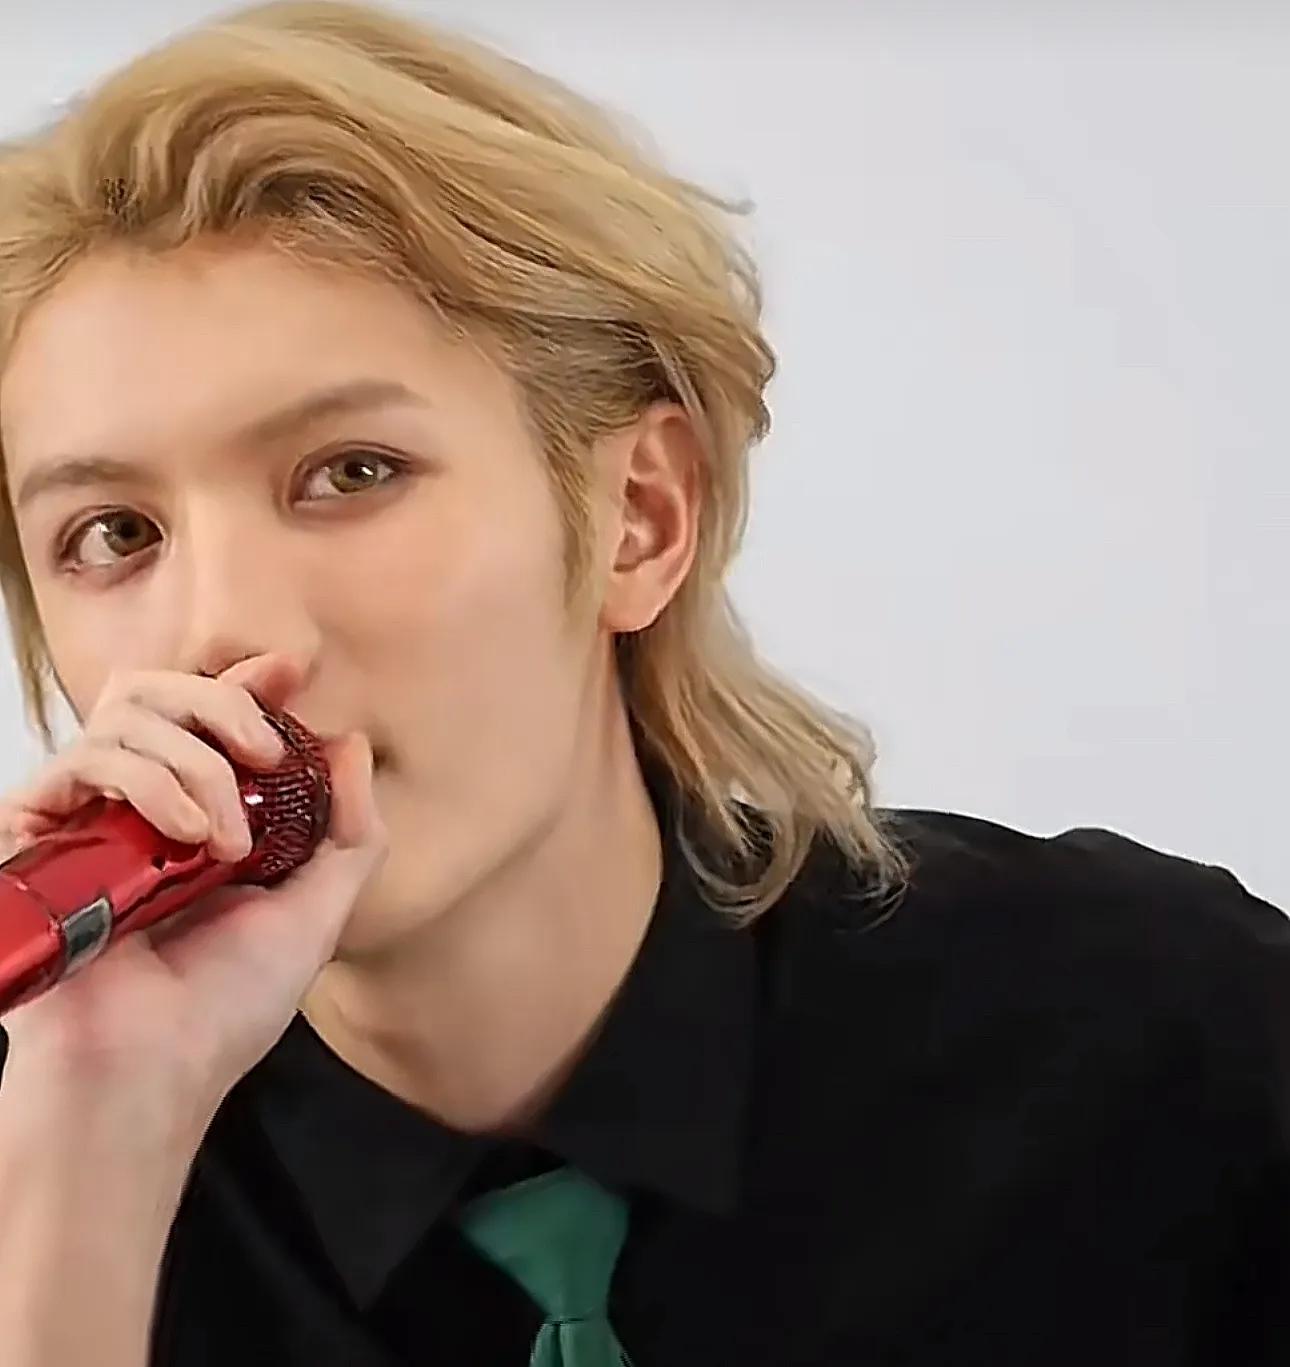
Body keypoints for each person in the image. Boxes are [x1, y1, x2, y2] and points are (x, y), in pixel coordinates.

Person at [0, 3, 1284, 1363]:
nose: (220, 630)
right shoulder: (52, 1158)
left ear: (639, 518)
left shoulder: (1164, 1040)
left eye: (352, 473)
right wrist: (90, 1155)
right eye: (115, 535)